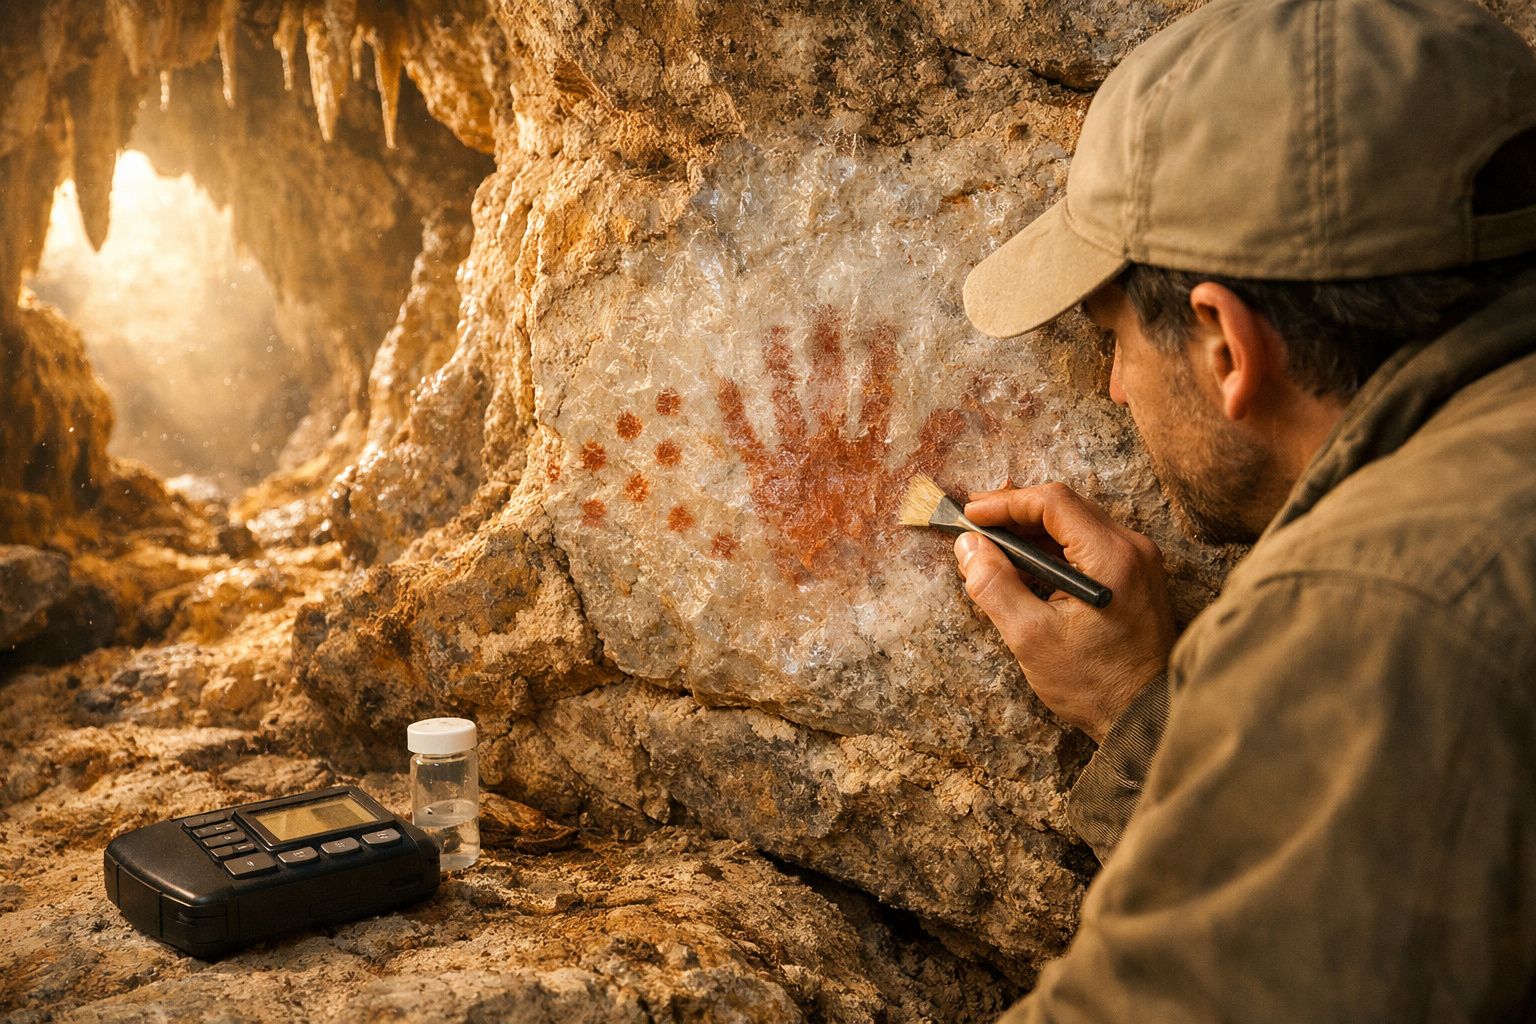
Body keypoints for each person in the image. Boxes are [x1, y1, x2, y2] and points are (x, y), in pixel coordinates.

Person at [955, 0, 1536, 1020]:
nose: (1114, 390)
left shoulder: (1373, 614)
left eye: (1117, 340)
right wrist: (1144, 711)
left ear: (1226, 346)